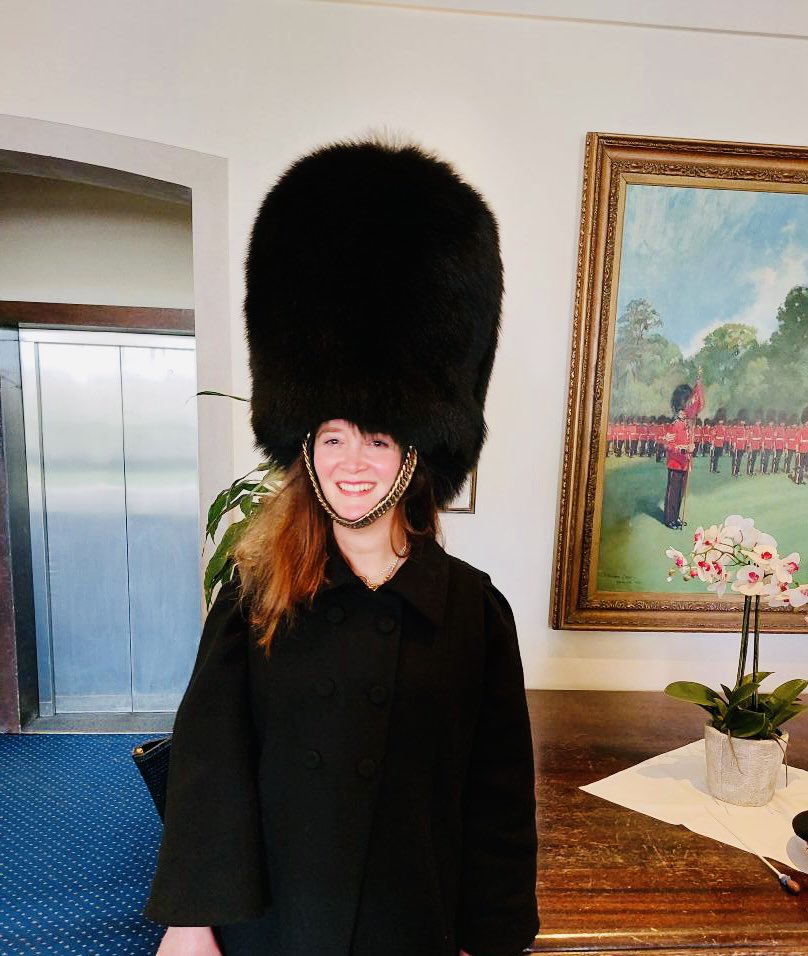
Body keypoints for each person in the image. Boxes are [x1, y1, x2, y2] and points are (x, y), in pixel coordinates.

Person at [144, 139, 539, 956]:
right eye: (331, 438)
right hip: (272, 926)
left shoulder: (474, 613)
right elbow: (211, 766)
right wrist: (190, 921)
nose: (351, 463)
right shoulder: (253, 594)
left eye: (378, 439)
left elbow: (497, 801)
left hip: (412, 928)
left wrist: (490, 939)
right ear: (303, 449)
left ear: (418, 452)